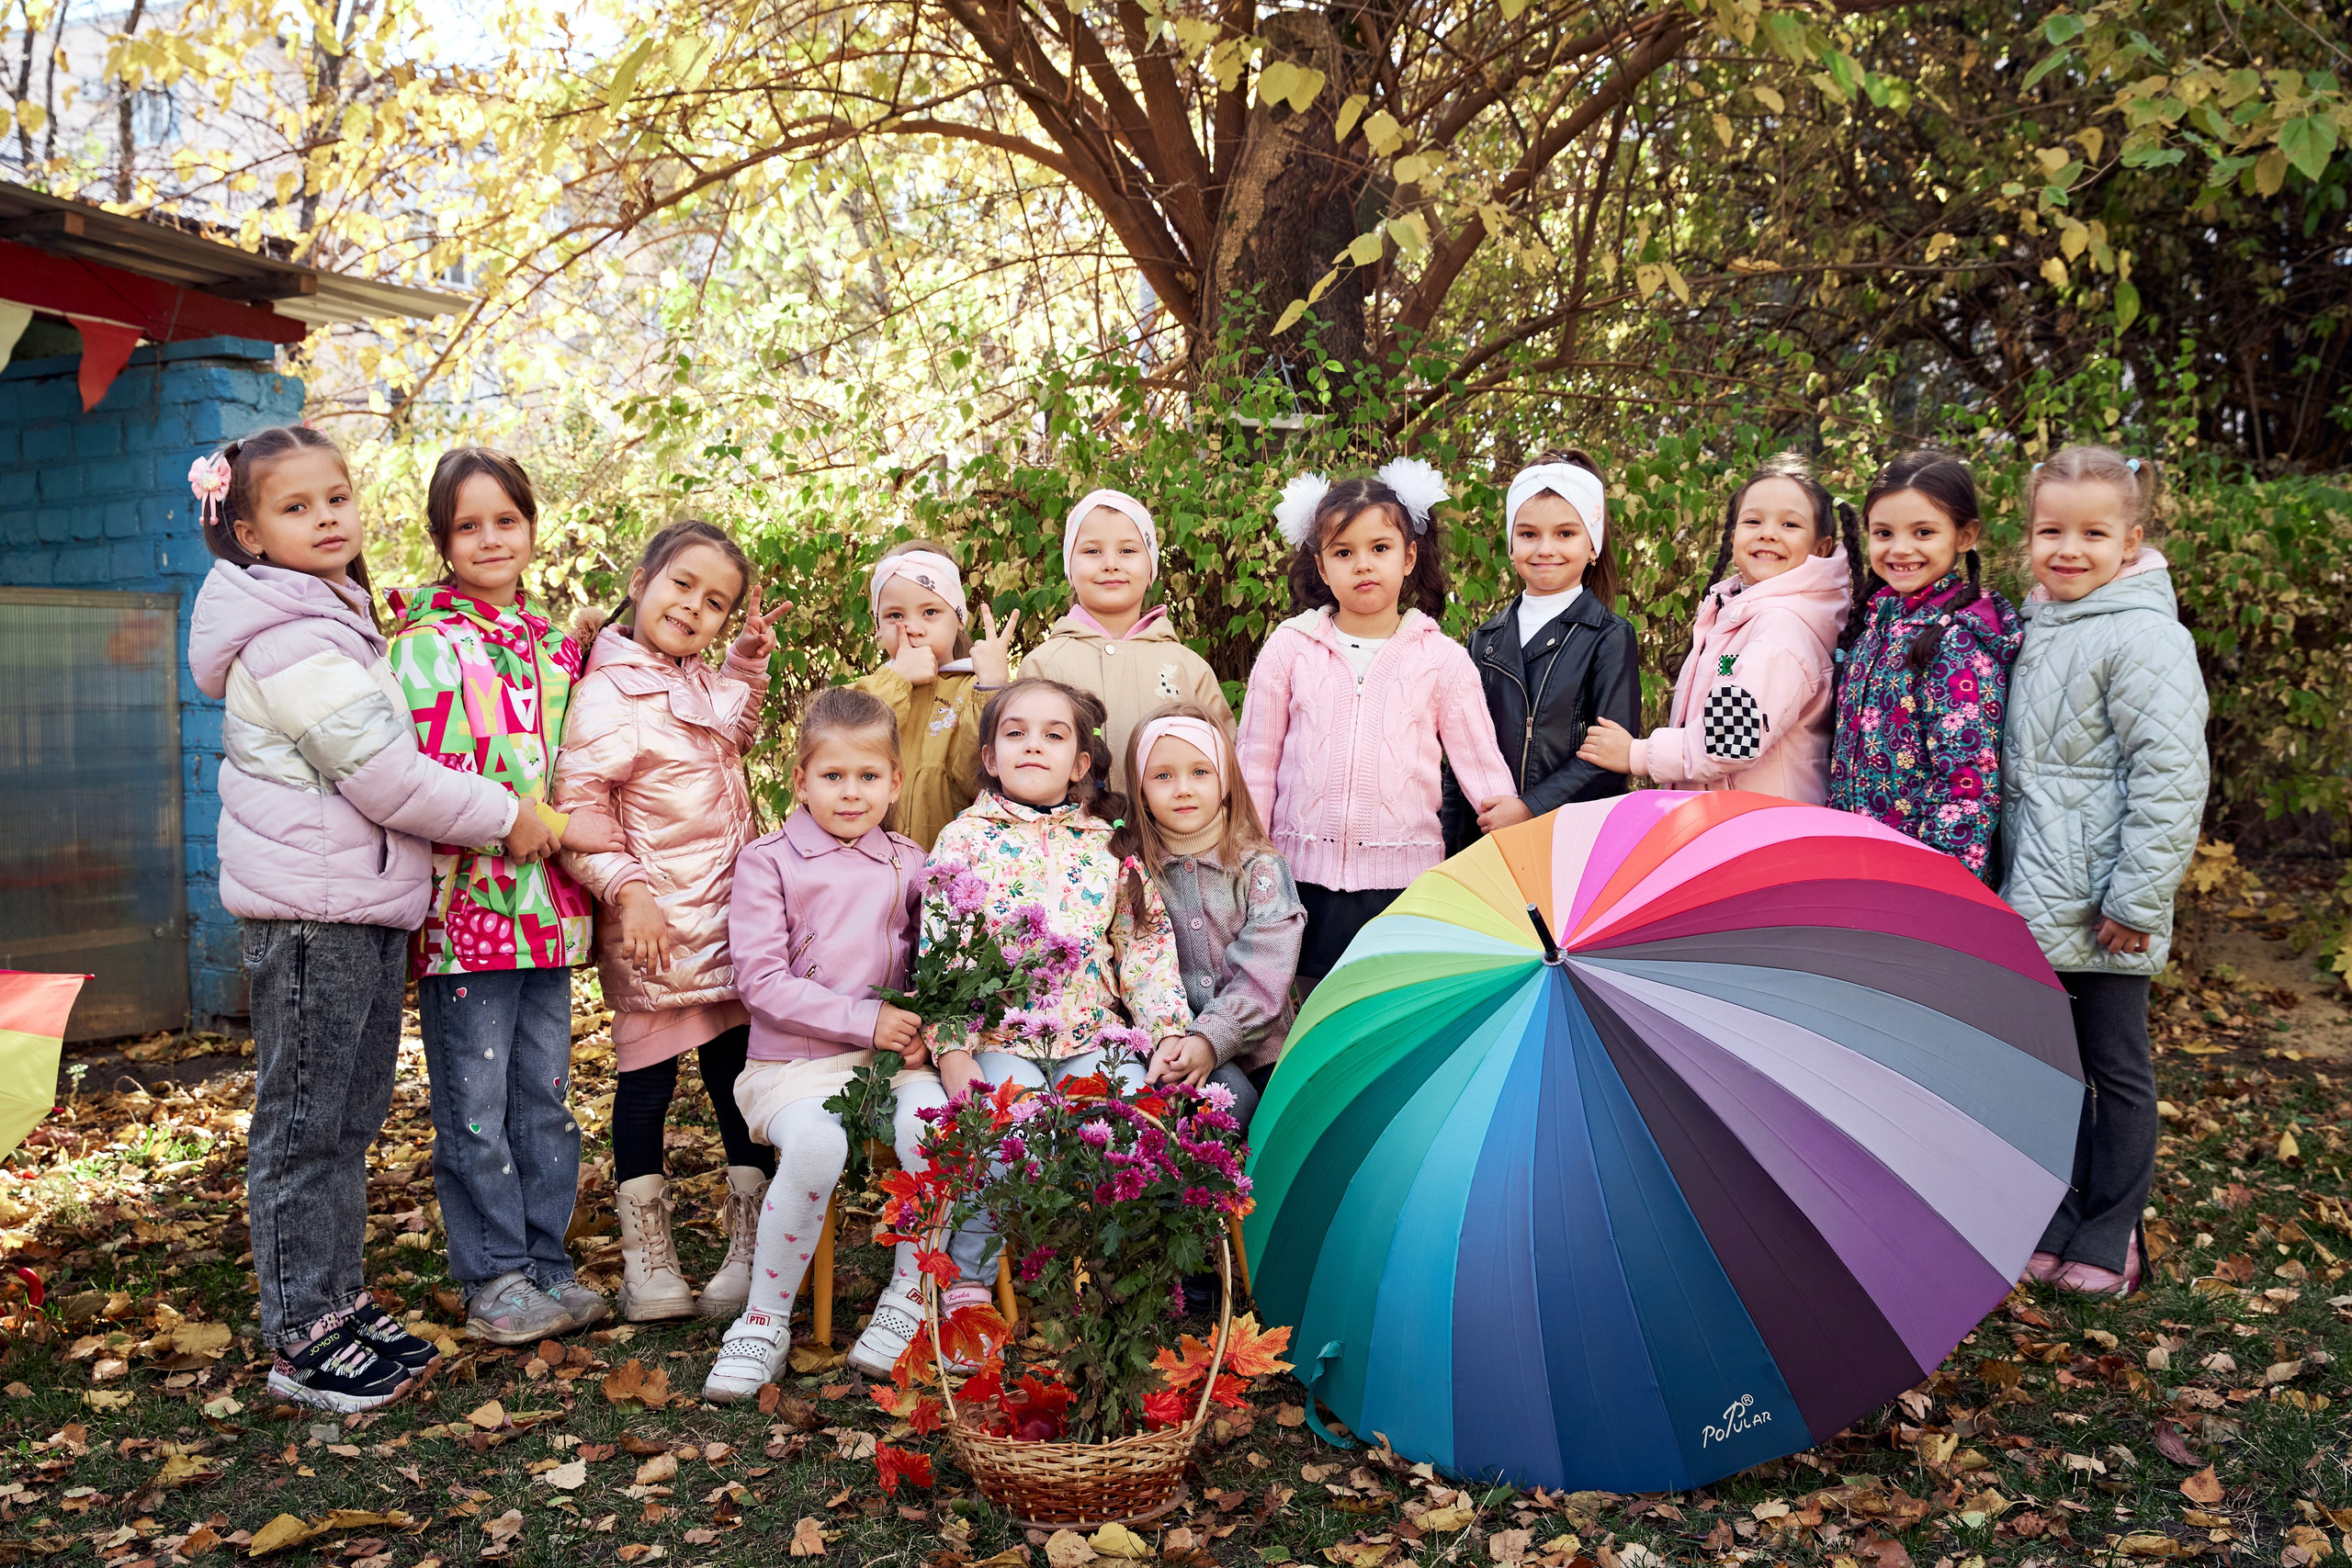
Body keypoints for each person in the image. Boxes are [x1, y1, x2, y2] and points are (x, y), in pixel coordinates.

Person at [187, 426, 560, 1412]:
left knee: (345, 1122)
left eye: (337, 498)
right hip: (312, 916)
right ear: (249, 532)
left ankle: (336, 1304)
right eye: (296, 507)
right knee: (304, 1127)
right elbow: (388, 779)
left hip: (353, 909)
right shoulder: (291, 637)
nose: (326, 519)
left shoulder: (332, 617)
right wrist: (507, 816)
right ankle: (301, 1332)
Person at [389, 447, 616, 1345]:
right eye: (468, 525)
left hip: (549, 917)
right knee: (476, 1111)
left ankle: (545, 1264)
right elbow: (411, 781)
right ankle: (493, 1278)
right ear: (444, 539)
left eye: (505, 521)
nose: (490, 539)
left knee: (545, 1101)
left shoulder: (557, 647)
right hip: (463, 919)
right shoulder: (418, 648)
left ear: (531, 526)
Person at [900, 678, 1194, 1359]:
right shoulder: (963, 840)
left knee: (1127, 1127)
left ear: (1081, 763)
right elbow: (941, 950)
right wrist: (953, 1048)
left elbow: (1143, 947)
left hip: (1094, 1034)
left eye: (1054, 734)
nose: (1035, 743)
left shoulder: (1107, 846)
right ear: (991, 756)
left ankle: (1124, 1283)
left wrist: (1166, 1030)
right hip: (1002, 1037)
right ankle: (968, 1281)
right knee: (1010, 1136)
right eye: (1017, 732)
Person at [551, 519, 785, 1322]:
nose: (693, 607)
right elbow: (579, 809)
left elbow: (736, 734)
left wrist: (745, 666)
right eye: (682, 584)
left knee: (737, 1086)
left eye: (715, 602)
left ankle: (750, 1246)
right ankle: (648, 1262)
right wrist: (628, 890)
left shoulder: (696, 680)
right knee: (646, 1086)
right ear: (643, 577)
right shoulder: (607, 690)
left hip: (729, 923)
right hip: (655, 928)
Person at [2002, 446, 2208, 1298]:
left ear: (2132, 541)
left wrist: (2137, 897)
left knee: (2116, 1068)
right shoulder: (2038, 623)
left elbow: (2171, 776)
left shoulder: (2145, 635)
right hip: (2033, 893)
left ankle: (2113, 1229)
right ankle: (2057, 1213)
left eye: (2093, 532)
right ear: (2028, 536)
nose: (2069, 549)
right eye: (2052, 530)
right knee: (2052, 1068)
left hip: (2102, 904)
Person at [707, 686, 950, 1396]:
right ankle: (762, 1322)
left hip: (892, 1064)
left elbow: (935, 965)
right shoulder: (770, 861)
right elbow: (761, 981)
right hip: (794, 1064)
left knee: (937, 1134)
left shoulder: (911, 861)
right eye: (833, 776)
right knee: (817, 1146)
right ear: (801, 779)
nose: (851, 793)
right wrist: (864, 1020)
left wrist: (922, 1032)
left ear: (896, 782)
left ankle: (909, 1296)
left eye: (869, 776)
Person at [1237, 460, 1521, 986]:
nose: (1363, 564)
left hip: (1402, 884)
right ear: (1322, 568)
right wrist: (1249, 853)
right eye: (1343, 553)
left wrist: (1511, 821)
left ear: (1409, 556)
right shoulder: (1290, 648)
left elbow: (1481, 762)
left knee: (1384, 1009)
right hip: (1295, 878)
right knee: (1300, 1007)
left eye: (1380, 548)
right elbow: (1256, 759)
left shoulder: (1441, 659)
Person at [1577, 450, 1856, 805]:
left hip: (1758, 832)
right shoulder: (1738, 612)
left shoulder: (1781, 629)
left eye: (1790, 525)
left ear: (1821, 547)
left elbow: (1729, 740)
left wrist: (1636, 754)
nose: (1769, 534)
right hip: (1732, 821)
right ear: (1733, 533)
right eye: (1753, 522)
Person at [1827, 450, 2023, 880]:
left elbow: (1967, 784)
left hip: (1917, 879)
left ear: (1965, 535)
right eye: (1883, 533)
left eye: (1923, 532)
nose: (1901, 549)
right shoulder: (1876, 621)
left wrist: (1937, 885)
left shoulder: (1956, 644)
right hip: (1858, 860)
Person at [1443, 447, 1640, 852]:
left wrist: (1530, 807)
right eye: (1529, 534)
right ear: (1511, 546)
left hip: (1571, 840)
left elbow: (1608, 757)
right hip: (1485, 842)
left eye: (1566, 534)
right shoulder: (1485, 639)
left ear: (1592, 546)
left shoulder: (1609, 637)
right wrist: (1445, 847)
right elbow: (1459, 756)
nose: (1545, 549)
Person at [1125, 703, 1305, 1122]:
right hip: (1170, 1042)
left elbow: (1267, 967)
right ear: (1141, 791)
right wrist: (1177, 1039)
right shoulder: (1134, 869)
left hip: (1261, 1046)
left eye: (1200, 772)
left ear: (1225, 781)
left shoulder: (1259, 867)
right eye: (1163, 775)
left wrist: (1211, 1038)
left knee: (1284, 1116)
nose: (1183, 788)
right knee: (1210, 1111)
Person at [1017, 490, 1234, 794]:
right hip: (1066, 837)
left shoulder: (1188, 667)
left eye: (1128, 551)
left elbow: (1225, 761)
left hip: (1168, 840)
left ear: (1151, 570)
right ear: (1069, 569)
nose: (1110, 564)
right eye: (1092, 551)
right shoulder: (1043, 664)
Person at [850, 540, 1016, 850]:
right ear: (877, 625)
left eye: (930, 611)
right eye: (895, 616)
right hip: (867, 870)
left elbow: (981, 780)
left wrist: (993, 689)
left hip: (954, 872)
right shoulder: (868, 689)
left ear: (958, 619)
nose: (912, 627)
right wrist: (896, 680)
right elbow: (845, 743)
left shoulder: (975, 689)